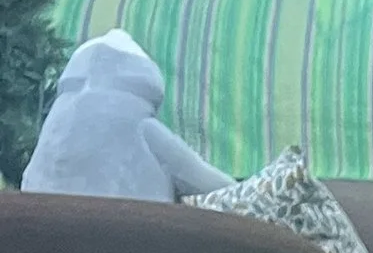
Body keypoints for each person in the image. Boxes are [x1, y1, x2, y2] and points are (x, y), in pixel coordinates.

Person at [22, 31, 230, 205]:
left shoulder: (54, 126)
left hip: (44, 237)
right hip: (126, 239)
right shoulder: (141, 126)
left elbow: (29, 180)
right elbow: (198, 177)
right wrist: (248, 190)